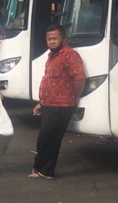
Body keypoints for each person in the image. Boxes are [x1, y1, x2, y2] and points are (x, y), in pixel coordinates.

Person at [29, 24, 85, 180]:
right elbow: (50, 81)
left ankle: (43, 169)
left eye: (55, 38)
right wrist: (41, 103)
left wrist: (75, 97)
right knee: (48, 138)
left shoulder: (70, 55)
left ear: (63, 39)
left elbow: (79, 78)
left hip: (62, 105)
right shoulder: (51, 56)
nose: (52, 41)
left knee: (48, 137)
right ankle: (44, 170)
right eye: (49, 39)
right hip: (49, 104)